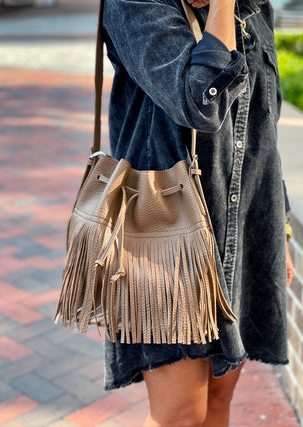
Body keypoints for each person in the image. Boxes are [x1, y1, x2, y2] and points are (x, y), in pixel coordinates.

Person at [100, 0, 295, 425]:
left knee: (219, 399)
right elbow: (200, 103)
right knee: (180, 416)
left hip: (244, 227)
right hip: (165, 230)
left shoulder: (254, 6)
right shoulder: (138, 5)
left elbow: (267, 122)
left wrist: (279, 225)